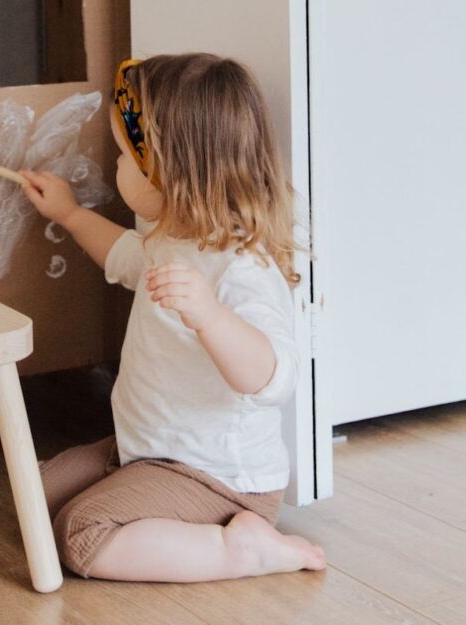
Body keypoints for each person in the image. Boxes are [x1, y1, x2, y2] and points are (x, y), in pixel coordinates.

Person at [19, 53, 326, 582]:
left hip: (218, 478)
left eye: (124, 157)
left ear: (173, 172)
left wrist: (208, 316)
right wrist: (69, 214)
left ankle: (245, 550)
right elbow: (123, 255)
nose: (116, 166)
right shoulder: (174, 240)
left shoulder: (240, 266)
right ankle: (162, 513)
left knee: (80, 534)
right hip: (149, 448)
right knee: (31, 492)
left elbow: (275, 376)